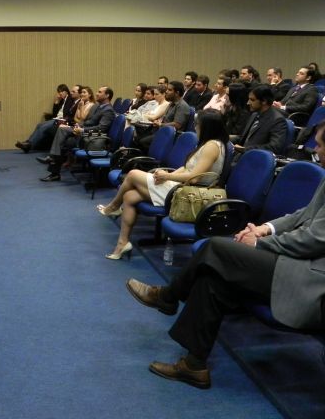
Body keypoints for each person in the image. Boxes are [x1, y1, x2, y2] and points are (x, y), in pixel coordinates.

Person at [124, 120, 325, 389]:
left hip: (311, 279)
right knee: (213, 277)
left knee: (216, 248)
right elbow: (304, 215)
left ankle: (168, 296)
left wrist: (259, 243)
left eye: (320, 145)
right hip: (297, 262)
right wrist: (266, 228)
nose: (315, 150)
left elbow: (314, 239)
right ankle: (194, 365)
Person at [98, 110, 227, 260]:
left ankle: (113, 206)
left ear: (207, 127)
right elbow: (187, 168)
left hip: (189, 195)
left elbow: (194, 178)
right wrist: (166, 175)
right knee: (129, 196)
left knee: (132, 174)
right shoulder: (207, 143)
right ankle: (122, 243)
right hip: (181, 187)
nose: (195, 126)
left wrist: (167, 176)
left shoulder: (212, 146)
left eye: (198, 124)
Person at [40, 86, 115, 182]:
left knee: (62, 134)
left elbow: (101, 128)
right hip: (87, 133)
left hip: (93, 138)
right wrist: (78, 126)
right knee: (63, 136)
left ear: (107, 95)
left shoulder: (108, 110)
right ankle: (54, 167)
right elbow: (90, 121)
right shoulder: (100, 107)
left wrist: (82, 130)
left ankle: (53, 162)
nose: (96, 93)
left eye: (100, 92)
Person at [15, 84, 75, 153]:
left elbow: (68, 113)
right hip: (56, 119)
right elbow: (54, 114)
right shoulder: (62, 100)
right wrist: (56, 102)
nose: (60, 93)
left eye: (61, 91)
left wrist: (62, 118)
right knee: (39, 125)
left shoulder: (70, 100)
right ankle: (28, 143)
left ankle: (29, 145)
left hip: (61, 120)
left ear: (66, 92)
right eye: (59, 92)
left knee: (43, 127)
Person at [234, 85, 288, 156]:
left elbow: (274, 147)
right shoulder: (254, 114)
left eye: (252, 100)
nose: (248, 103)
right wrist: (225, 137)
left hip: (255, 157)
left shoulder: (277, 120)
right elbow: (244, 138)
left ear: (264, 101)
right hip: (240, 155)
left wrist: (246, 149)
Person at [137, 81, 192, 151]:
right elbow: (166, 119)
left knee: (143, 142)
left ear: (177, 93)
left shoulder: (182, 106)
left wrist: (161, 124)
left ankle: (151, 157)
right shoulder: (171, 103)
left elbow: (177, 125)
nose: (166, 92)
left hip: (170, 135)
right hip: (161, 130)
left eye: (169, 90)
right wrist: (158, 122)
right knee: (137, 137)